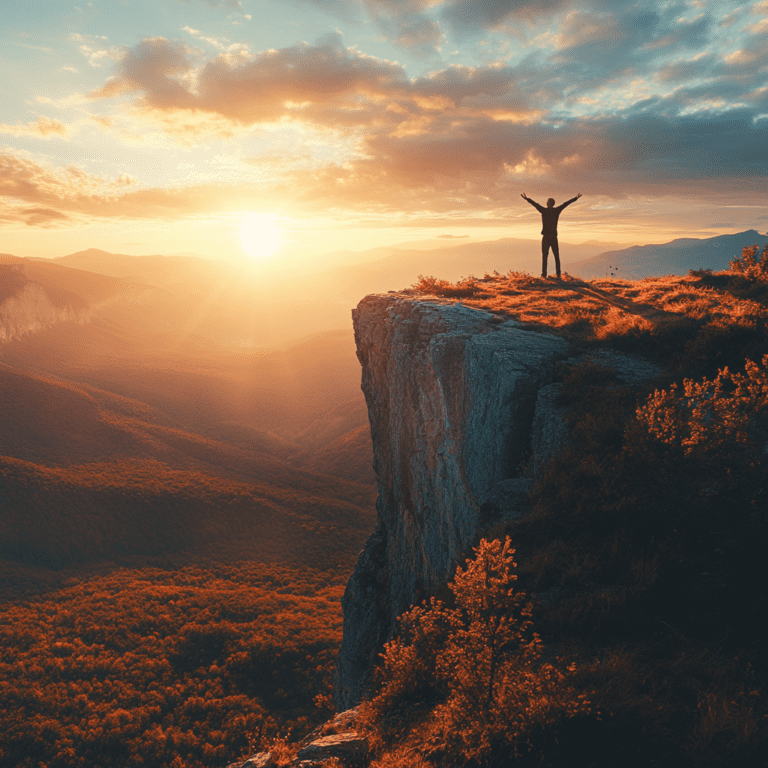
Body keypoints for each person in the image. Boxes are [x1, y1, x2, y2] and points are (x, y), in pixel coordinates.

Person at [521, 192, 582, 278]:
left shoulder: (544, 211)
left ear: (548, 203)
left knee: (545, 257)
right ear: (553, 204)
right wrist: (575, 198)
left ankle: (544, 274)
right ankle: (558, 274)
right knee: (556, 256)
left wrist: (527, 199)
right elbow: (566, 204)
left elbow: (535, 204)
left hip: (546, 237)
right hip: (553, 238)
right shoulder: (556, 211)